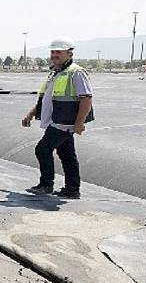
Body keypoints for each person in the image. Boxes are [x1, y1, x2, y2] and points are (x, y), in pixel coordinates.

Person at [22, 37, 94, 199]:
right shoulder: (55, 72)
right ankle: (72, 189)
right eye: (53, 52)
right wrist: (31, 114)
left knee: (42, 149)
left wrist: (79, 123)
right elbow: (45, 98)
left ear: (69, 54)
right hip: (56, 119)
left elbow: (86, 98)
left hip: (64, 122)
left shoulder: (76, 73)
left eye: (58, 52)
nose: (55, 55)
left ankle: (46, 184)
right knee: (67, 154)